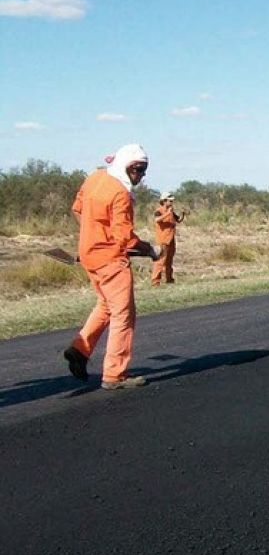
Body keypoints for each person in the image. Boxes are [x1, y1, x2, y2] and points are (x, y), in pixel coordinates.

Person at [63, 144, 159, 389]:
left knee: (106, 305)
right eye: (138, 169)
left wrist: (92, 236)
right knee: (124, 315)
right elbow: (126, 238)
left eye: (143, 170)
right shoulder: (120, 194)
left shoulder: (95, 177)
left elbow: (78, 209)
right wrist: (151, 250)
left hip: (89, 255)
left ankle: (80, 349)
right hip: (110, 261)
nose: (140, 175)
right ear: (126, 166)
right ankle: (115, 374)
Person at [151, 191, 187, 285]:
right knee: (160, 261)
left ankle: (169, 279)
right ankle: (155, 281)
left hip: (171, 239)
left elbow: (178, 220)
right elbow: (157, 220)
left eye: (172, 201)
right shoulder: (159, 211)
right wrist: (167, 213)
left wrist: (183, 214)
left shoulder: (171, 211)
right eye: (169, 201)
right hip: (163, 240)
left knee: (169, 261)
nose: (171, 203)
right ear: (164, 201)